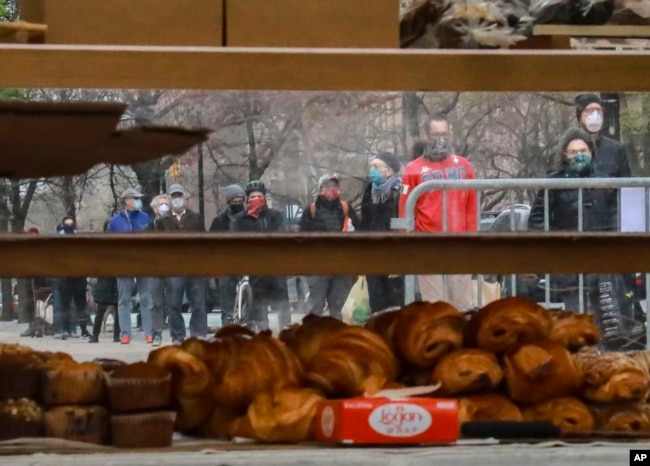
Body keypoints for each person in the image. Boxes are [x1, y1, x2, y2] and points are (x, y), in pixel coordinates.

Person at [528, 128, 625, 348]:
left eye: (583, 150)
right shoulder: (553, 183)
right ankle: (580, 364)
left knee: (608, 322)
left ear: (591, 152)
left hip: (602, 261)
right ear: (564, 155)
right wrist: (555, 242)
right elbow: (536, 219)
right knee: (576, 321)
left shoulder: (605, 182)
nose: (579, 155)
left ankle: (606, 363)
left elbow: (617, 215)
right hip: (569, 261)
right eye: (573, 152)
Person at [398, 114, 477, 311]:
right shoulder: (412, 168)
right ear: (427, 135)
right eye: (435, 134)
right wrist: (407, 241)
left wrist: (473, 237)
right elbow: (404, 206)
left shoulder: (463, 165)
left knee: (463, 303)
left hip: (459, 241)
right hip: (428, 242)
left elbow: (472, 203)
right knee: (434, 305)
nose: (441, 139)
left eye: (444, 134)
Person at [232, 180, 291, 331]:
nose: (256, 199)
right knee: (258, 306)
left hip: (274, 267)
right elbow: (236, 244)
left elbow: (281, 237)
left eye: (259, 196)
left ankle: (286, 331)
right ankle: (263, 332)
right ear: (247, 199)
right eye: (252, 197)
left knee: (282, 303)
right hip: (253, 268)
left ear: (264, 198)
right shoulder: (240, 220)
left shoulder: (274, 216)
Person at [299, 174, 360, 320]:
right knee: (316, 305)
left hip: (342, 264)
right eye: (327, 186)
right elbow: (302, 238)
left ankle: (336, 335)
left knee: (338, 306)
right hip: (317, 265)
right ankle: (312, 335)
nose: (331, 190)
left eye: (334, 186)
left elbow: (359, 231)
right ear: (320, 189)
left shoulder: (346, 208)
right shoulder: (311, 211)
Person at [155, 184, 208, 344]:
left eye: (180, 196)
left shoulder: (196, 218)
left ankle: (198, 335)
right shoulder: (163, 221)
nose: (177, 199)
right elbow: (158, 246)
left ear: (184, 198)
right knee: (174, 304)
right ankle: (177, 336)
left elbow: (203, 242)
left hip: (194, 266)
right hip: (173, 268)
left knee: (198, 303)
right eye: (174, 196)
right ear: (170, 200)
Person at [359, 152, 405, 313]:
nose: (373, 170)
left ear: (390, 170)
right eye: (371, 166)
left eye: (377, 167)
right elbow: (364, 222)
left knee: (396, 301)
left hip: (395, 253)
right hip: (373, 253)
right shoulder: (370, 191)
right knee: (376, 302)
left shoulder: (401, 190)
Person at [107, 188, 152, 344]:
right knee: (124, 299)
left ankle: (149, 332)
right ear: (127, 201)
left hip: (143, 263)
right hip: (123, 264)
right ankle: (125, 333)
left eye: (140, 198)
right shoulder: (115, 221)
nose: (139, 200)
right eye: (136, 198)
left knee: (146, 298)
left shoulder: (145, 217)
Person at [209, 184, 246, 327]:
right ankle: (227, 323)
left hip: (246, 261)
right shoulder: (220, 221)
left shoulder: (249, 218)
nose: (237, 204)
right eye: (234, 201)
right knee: (226, 296)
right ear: (229, 202)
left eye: (240, 200)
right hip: (226, 263)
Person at [52, 216, 91, 339]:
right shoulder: (58, 242)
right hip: (64, 279)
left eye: (71, 224)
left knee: (80, 305)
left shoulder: (79, 239)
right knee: (64, 305)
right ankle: (64, 329)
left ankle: (83, 330)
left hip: (79, 278)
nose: (69, 226)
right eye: (67, 224)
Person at [145, 194, 171, 347]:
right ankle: (157, 334)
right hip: (154, 268)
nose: (164, 207)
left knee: (174, 303)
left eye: (166, 204)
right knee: (155, 303)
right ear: (155, 208)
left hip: (172, 267)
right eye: (161, 204)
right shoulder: (149, 227)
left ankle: (177, 335)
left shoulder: (174, 225)